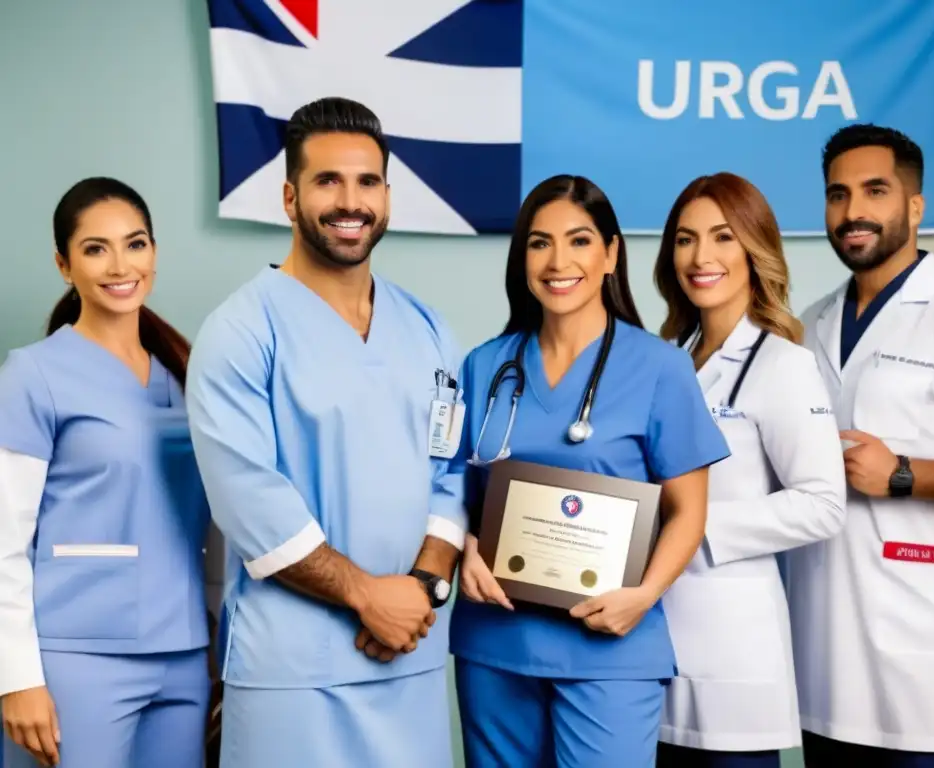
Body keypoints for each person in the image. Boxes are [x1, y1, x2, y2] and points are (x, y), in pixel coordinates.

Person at [184, 97, 466, 768]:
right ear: (290, 196)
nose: (351, 201)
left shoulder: (427, 328)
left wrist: (422, 589)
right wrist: (367, 595)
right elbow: (249, 500)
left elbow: (451, 469)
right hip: (295, 672)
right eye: (328, 181)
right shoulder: (242, 331)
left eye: (367, 182)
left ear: (387, 197)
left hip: (410, 657)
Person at [449, 174, 731, 767]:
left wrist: (645, 594)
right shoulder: (483, 367)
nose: (558, 262)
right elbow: (451, 492)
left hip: (610, 644)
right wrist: (463, 549)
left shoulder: (659, 369)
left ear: (610, 254)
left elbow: (689, 511)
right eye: (538, 243)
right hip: (495, 642)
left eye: (579, 241)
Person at [788, 123, 934, 767]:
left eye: (874, 191)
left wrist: (903, 475)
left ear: (914, 207)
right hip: (825, 671)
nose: (853, 211)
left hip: (930, 682)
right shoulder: (810, 325)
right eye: (838, 195)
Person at [0, 177, 211, 768]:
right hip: (77, 659)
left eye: (135, 243)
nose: (121, 265)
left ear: (154, 253)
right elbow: (2, 543)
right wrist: (15, 677)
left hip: (184, 656)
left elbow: (210, 524)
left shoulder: (185, 375)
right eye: (96, 248)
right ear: (64, 265)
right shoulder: (33, 376)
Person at [652, 173, 847, 768]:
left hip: (733, 652)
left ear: (753, 249)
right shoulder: (669, 361)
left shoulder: (783, 364)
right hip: (654, 643)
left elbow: (823, 503)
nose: (701, 257)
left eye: (722, 237)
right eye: (685, 240)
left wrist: (696, 525)